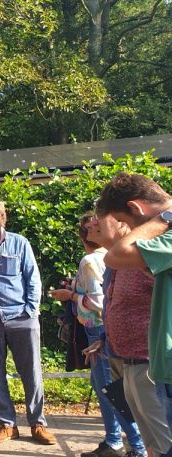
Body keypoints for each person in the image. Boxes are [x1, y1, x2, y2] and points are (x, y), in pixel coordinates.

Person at [50, 214, 147, 457]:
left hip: (99, 330)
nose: (93, 227)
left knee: (109, 390)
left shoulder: (90, 260)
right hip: (106, 331)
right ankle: (114, 439)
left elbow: (97, 301)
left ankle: (136, 447)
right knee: (105, 387)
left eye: (96, 225)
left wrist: (70, 296)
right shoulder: (115, 256)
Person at [0, 197, 56, 445]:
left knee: (32, 372)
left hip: (21, 317)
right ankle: (7, 424)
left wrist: (31, 311)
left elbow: (33, 279)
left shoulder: (19, 243)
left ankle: (37, 423)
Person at [97, 172, 172, 450]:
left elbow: (116, 254)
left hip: (156, 362)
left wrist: (164, 217)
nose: (129, 230)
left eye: (126, 222)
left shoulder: (168, 229)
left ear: (137, 208)